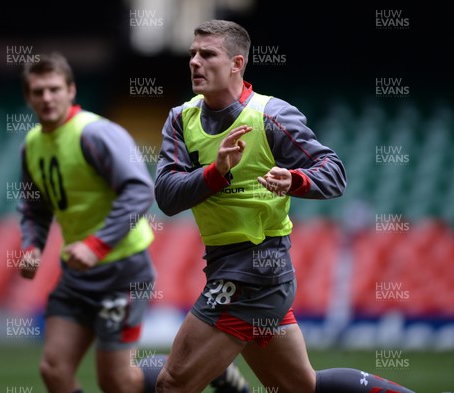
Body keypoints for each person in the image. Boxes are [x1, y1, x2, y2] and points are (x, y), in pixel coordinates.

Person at [154, 20, 416, 393]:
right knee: (300, 387)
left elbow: (334, 173)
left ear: (236, 63)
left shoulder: (272, 116)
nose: (195, 62)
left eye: (207, 54)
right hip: (224, 264)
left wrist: (295, 180)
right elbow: (166, 195)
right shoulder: (181, 119)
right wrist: (217, 172)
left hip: (257, 271)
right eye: (193, 53)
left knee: (172, 384)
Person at [15, 52, 251, 393]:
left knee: (117, 382)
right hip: (76, 273)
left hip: (121, 270)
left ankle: (209, 369)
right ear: (28, 97)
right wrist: (33, 246)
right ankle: (205, 368)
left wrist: (97, 245)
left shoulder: (96, 134)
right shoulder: (32, 146)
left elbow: (140, 191)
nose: (47, 98)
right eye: (38, 92)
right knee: (53, 369)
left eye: (54, 89)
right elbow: (34, 207)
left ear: (71, 90)